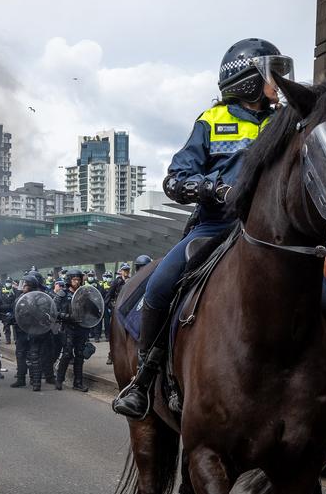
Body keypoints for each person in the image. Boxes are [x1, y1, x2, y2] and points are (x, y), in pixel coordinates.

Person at [114, 38, 291, 418]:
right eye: (273, 74)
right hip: (216, 226)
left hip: (275, 232)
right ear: (248, 79)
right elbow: (177, 179)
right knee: (160, 284)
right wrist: (214, 188)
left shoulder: (288, 121)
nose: (281, 82)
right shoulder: (212, 121)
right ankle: (145, 378)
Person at [11, 271, 56, 391]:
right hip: (21, 331)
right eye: (23, 284)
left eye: (25, 285)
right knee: (20, 354)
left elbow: (44, 314)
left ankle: (35, 382)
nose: (23, 287)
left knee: (34, 356)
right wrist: (9, 317)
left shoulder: (40, 298)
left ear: (31, 285)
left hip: (33, 330)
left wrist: (32, 310)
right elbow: (14, 311)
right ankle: (21, 379)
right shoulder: (20, 297)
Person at [55, 268, 90, 392]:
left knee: (80, 355)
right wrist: (68, 317)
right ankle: (59, 380)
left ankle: (78, 383)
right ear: (69, 280)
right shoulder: (62, 294)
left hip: (81, 328)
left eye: (79, 280)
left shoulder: (83, 294)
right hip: (68, 328)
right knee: (67, 354)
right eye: (74, 279)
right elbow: (54, 311)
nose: (77, 282)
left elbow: (90, 309)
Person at [105, 262, 131, 365]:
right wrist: (113, 307)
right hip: (117, 311)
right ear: (120, 271)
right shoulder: (116, 282)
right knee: (115, 333)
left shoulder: (131, 281)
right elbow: (108, 297)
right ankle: (111, 354)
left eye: (127, 270)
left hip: (128, 311)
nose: (126, 272)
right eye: (124, 270)